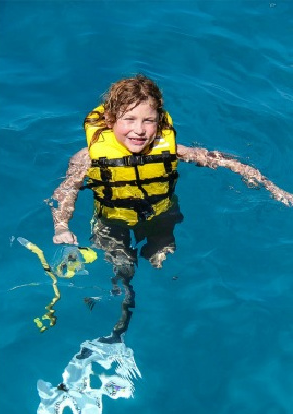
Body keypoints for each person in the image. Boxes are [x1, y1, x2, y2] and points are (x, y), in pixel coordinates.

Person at [50, 74, 293, 342]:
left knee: (161, 253)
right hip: (112, 220)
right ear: (110, 121)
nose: (139, 130)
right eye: (129, 120)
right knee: (122, 267)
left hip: (161, 213)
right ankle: (121, 312)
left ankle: (156, 299)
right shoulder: (85, 158)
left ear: (159, 121)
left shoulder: (172, 149)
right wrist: (61, 226)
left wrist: (270, 186)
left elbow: (219, 160)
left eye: (148, 121)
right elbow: (65, 193)